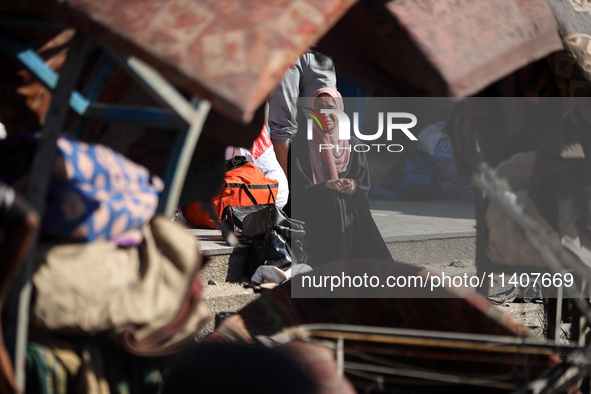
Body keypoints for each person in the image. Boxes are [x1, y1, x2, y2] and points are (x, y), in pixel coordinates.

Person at [291, 88, 392, 265]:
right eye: (319, 107)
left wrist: (353, 186)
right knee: (334, 199)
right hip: (312, 216)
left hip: (346, 213)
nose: (325, 113)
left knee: (345, 198)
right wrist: (324, 186)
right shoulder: (301, 146)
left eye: (331, 107)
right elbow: (297, 194)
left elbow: (364, 190)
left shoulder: (354, 145)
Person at [269, 50, 336, 176]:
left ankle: (330, 187)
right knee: (283, 126)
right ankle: (282, 188)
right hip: (286, 49)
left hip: (321, 52)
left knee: (329, 123)